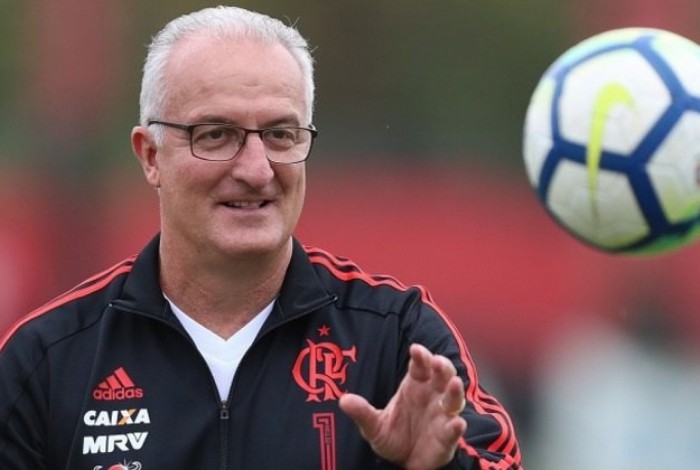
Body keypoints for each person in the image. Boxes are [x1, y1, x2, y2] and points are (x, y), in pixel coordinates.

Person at [0, 6, 522, 469]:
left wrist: (441, 467)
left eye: (280, 135)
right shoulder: (46, 360)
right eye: (215, 135)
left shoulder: (396, 338)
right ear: (150, 156)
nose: (256, 169)